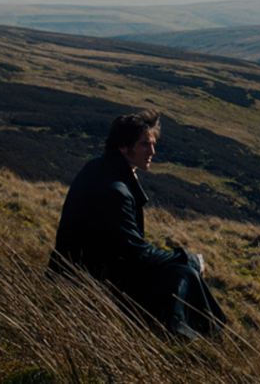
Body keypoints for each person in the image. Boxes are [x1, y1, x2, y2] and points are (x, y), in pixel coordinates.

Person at [49, 109, 225, 339]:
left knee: (180, 271)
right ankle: (191, 338)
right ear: (123, 146)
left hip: (82, 269)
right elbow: (136, 253)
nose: (152, 151)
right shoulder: (115, 190)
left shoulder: (98, 166)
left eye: (152, 144)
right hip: (88, 278)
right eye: (144, 144)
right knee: (183, 274)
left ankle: (191, 335)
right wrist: (189, 259)